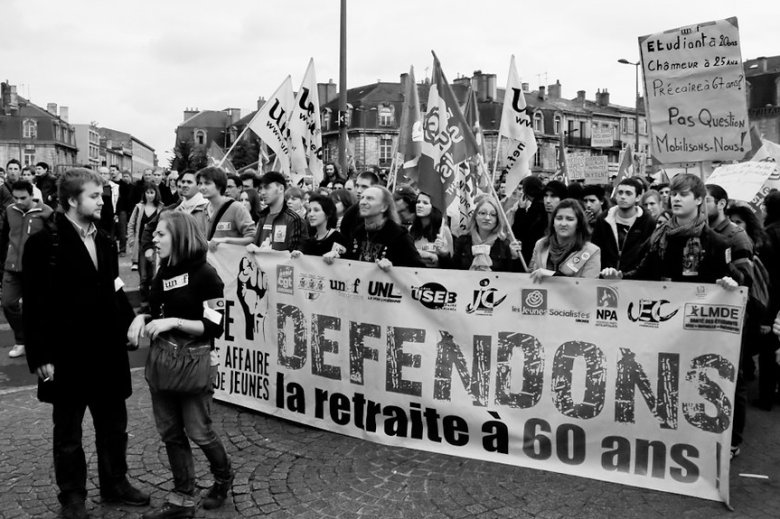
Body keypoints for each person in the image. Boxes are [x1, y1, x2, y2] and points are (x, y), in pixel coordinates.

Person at [23, 168, 149, 519]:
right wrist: (40, 354)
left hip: (106, 350)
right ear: (71, 200)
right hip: (66, 353)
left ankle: (115, 483)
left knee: (113, 425)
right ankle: (73, 496)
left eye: (102, 194)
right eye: (94, 195)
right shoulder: (44, 243)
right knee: (68, 432)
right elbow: (34, 303)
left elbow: (114, 286)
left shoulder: (106, 239)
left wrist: (131, 321)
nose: (102, 200)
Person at [127, 211, 231, 519]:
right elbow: (153, 309)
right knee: (171, 432)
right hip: (162, 362)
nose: (155, 240)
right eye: (155, 234)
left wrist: (175, 321)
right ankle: (183, 497)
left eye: (161, 234)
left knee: (199, 431)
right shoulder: (163, 270)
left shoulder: (206, 274)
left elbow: (215, 326)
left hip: (194, 362)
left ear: (181, 237)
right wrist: (140, 318)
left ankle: (223, 478)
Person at [0, 180, 54, 358]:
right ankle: (21, 339)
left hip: (36, 270)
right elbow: (3, 237)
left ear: (32, 195)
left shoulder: (46, 212)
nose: (18, 201)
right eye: (15, 197)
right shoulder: (9, 211)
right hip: (11, 267)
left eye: (23, 198)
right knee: (8, 304)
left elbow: (54, 241)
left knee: (38, 308)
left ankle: (37, 340)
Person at [327, 186, 423, 269]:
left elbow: (418, 271)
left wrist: (393, 269)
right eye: (362, 198)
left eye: (370, 198)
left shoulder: (399, 235)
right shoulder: (358, 232)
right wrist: (337, 257)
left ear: (384, 207)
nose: (363, 202)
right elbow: (350, 262)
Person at [592, 178, 655, 275]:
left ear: (638, 197)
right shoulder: (603, 219)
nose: (623, 196)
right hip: (606, 276)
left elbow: (647, 254)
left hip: (634, 280)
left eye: (628, 193)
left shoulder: (647, 221)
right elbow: (596, 249)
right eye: (620, 192)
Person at [446, 195, 523, 272]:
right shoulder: (462, 241)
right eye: (483, 213)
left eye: (493, 214)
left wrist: (514, 258)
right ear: (475, 216)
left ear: (498, 219)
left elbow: (511, 277)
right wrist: (444, 255)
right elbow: (452, 271)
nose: (487, 218)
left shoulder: (504, 244)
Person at [529, 199, 601, 280]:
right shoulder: (541, 244)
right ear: (553, 222)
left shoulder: (592, 251)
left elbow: (588, 288)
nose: (563, 224)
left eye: (569, 219)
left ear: (578, 224)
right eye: (559, 218)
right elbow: (530, 277)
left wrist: (552, 274)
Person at [196, 166, 255, 250]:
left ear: (219, 185)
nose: (202, 187)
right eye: (200, 183)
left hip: (230, 261)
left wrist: (226, 240)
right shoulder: (201, 210)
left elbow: (251, 237)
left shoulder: (236, 207)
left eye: (207, 183)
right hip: (209, 261)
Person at [246, 171, 307, 253]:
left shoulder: (295, 220)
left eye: (267, 187)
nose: (262, 192)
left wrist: (271, 253)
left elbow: (295, 256)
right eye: (261, 188)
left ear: (281, 189)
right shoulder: (262, 217)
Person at [128, 182, 164, 307]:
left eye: (152, 192)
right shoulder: (139, 207)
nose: (149, 195)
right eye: (147, 192)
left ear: (156, 193)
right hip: (141, 245)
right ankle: (144, 303)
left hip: (156, 246)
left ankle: (154, 304)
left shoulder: (161, 208)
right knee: (143, 276)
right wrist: (131, 240)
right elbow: (131, 225)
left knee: (155, 275)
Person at [511, 175, 547, 265]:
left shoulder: (535, 208)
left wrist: (521, 210)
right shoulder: (543, 204)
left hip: (532, 254)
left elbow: (519, 232)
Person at [410, 191, 452, 268]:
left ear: (434, 207)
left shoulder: (444, 230)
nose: (419, 205)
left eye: (425, 203)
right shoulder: (411, 229)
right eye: (418, 202)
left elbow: (452, 264)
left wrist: (443, 253)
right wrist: (423, 254)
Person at [339, 170, 380, 243]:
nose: (359, 190)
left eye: (364, 187)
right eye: (357, 186)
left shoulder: (383, 210)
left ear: (375, 188)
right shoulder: (351, 213)